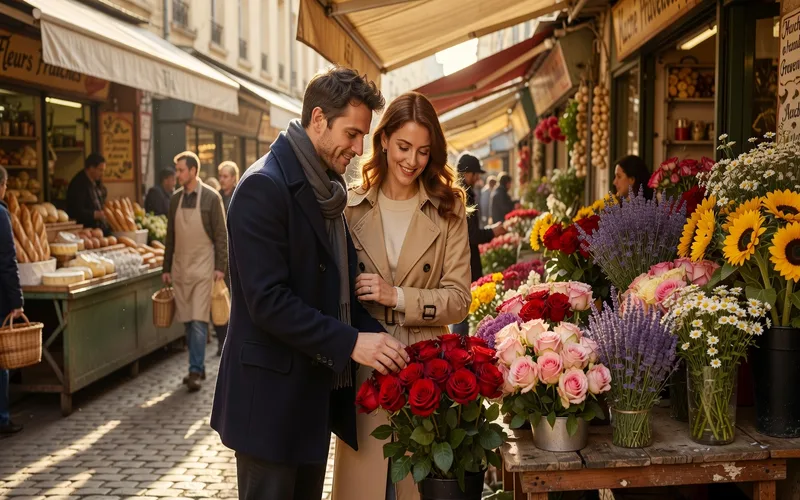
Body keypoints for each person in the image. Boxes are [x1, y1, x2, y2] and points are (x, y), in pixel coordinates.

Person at [210, 67, 409, 500]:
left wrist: (394, 347)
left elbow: (334, 290)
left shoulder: (327, 188)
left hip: (310, 400)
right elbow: (268, 302)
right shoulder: (263, 185)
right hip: (269, 406)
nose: (359, 149)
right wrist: (353, 343)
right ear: (318, 119)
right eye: (352, 134)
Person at [332, 92, 472, 500]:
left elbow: (460, 298)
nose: (412, 161)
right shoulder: (349, 207)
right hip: (365, 370)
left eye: (424, 152)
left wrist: (397, 296)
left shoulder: (448, 208)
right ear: (384, 141)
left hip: (427, 368)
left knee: (418, 488)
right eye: (403, 147)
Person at [162, 151, 228, 392]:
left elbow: (221, 235)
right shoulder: (175, 199)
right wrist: (166, 267)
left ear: (193, 171)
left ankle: (194, 370)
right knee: (188, 322)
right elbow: (170, 235)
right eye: (177, 170)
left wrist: (221, 267)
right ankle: (197, 366)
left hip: (203, 268)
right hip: (181, 268)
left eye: (180, 170)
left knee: (199, 321)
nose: (177, 174)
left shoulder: (211, 198)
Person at [450, 153, 506, 335]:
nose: (478, 178)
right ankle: (458, 349)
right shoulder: (464, 196)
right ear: (468, 174)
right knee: (463, 310)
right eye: (476, 174)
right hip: (464, 260)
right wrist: (493, 232)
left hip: (459, 259)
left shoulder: (458, 193)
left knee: (462, 309)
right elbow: (471, 235)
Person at [0, 166, 24, 437]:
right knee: (1, 361)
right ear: (2, 185)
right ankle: (2, 417)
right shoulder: (1, 214)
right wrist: (17, 300)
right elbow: (8, 261)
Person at [214, 160, 239, 356]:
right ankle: (222, 341)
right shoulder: (217, 198)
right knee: (218, 300)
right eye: (220, 176)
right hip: (219, 257)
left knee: (232, 299)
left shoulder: (239, 196)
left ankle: (231, 339)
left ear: (233, 178)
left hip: (236, 257)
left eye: (225, 176)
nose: (222, 180)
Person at [67, 153, 110, 233]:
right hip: (85, 230)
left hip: (98, 229)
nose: (102, 174)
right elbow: (75, 211)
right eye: (100, 170)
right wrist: (94, 214)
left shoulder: (96, 181)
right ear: (91, 168)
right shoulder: (79, 183)